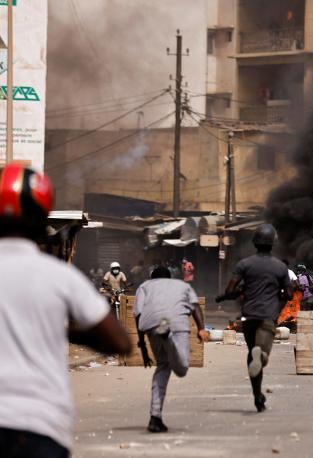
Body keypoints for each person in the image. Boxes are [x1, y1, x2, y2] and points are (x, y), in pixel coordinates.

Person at [0, 163, 131, 457]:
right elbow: (120, 341)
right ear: (40, 219)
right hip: (38, 427)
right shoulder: (58, 275)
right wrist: (60, 329)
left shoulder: (116, 275)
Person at [223, 224, 293, 412]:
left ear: (255, 242)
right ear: (273, 243)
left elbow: (229, 290)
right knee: (261, 354)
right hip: (267, 317)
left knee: (250, 353)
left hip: (248, 317)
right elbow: (288, 294)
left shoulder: (244, 264)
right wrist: (276, 298)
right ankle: (260, 356)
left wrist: (238, 292)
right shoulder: (280, 267)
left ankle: (257, 397)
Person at [134, 266, 209, 433]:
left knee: (162, 365)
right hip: (176, 323)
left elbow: (138, 314)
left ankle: (155, 418)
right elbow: (195, 305)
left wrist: (143, 346)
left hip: (150, 324)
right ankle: (167, 336)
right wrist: (201, 328)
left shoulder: (144, 286)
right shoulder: (182, 285)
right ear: (170, 277)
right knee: (181, 369)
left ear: (152, 278)